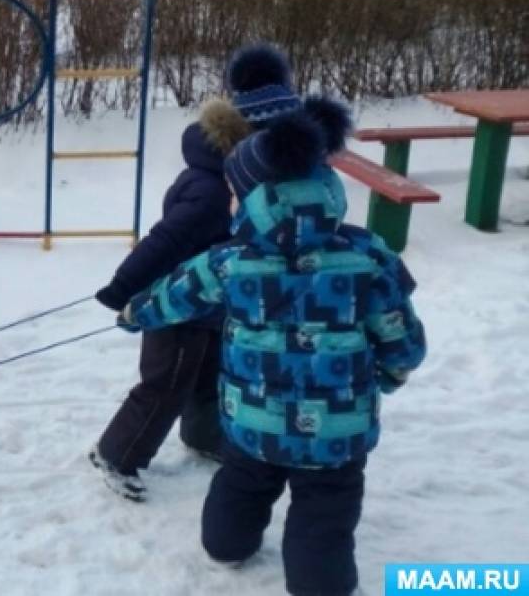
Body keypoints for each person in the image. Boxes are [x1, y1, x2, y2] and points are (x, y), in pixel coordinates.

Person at [115, 71, 427, 596]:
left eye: (238, 196)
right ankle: (318, 583)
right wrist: (388, 375)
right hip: (337, 432)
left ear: (257, 199)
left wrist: (133, 313)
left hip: (254, 423)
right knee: (325, 513)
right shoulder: (368, 256)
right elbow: (402, 338)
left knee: (241, 487)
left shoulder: (231, 261)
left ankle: (226, 545)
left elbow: (174, 296)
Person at [90, 92, 251, 501]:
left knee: (206, 376)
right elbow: (165, 240)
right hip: (176, 305)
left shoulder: (212, 177)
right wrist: (124, 286)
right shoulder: (213, 192)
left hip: (207, 306)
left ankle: (203, 436)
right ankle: (116, 454)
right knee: (166, 384)